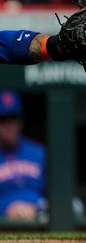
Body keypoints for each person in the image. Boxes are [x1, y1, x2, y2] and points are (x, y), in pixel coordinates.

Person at [0, 92, 45, 220]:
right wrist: (5, 209)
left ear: (21, 121)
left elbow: (57, 196)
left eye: (13, 118)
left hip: (40, 218)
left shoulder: (39, 153)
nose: (9, 126)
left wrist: (36, 209)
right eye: (3, 120)